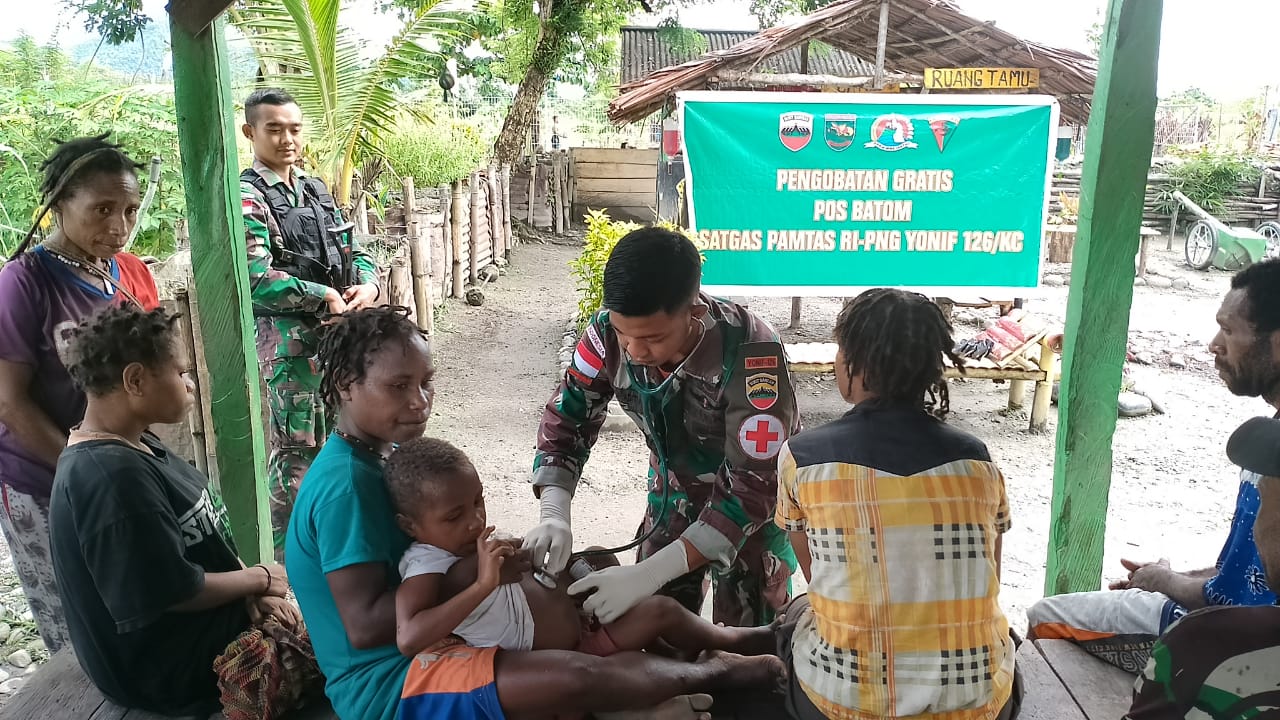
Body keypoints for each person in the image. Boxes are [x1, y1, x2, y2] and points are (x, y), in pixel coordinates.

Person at [286, 306, 781, 720]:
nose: (420, 403)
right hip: (392, 680)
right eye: (399, 387)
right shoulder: (345, 486)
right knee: (575, 672)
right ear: (348, 385)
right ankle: (711, 673)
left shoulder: (379, 458)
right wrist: (487, 574)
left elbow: (755, 483)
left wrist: (530, 547)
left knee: (596, 570)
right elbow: (371, 628)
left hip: (440, 641)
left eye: (426, 382)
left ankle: (667, 677)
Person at [527, 226, 800, 629]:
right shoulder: (606, 334)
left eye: (652, 338)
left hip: (751, 523)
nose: (635, 352)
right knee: (657, 632)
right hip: (671, 504)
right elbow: (569, 417)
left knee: (751, 642)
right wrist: (555, 512)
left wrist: (650, 572)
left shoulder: (752, 352)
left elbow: (755, 484)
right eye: (624, 334)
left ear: (695, 311)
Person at [50, 305, 315, 717]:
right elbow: (170, 590)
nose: (190, 383)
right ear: (135, 380)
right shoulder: (110, 478)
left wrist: (251, 593)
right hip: (167, 672)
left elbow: (203, 541)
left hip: (201, 627)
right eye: (180, 372)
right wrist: (259, 578)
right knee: (343, 652)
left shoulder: (136, 444)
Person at [773, 288, 1017, 720]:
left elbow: (818, 577)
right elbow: (987, 574)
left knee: (799, 610)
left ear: (851, 364)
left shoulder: (803, 459)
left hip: (843, 703)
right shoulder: (977, 460)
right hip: (977, 703)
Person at [1028, 259, 1280, 672]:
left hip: (1238, 645)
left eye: (1230, 330)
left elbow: (1239, 601)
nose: (1214, 343)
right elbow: (1245, 573)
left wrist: (1164, 582)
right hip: (1243, 625)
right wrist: (1170, 574)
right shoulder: (1270, 432)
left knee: (1045, 618)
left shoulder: (1273, 451)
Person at [386, 436, 778, 658]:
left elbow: (523, 579)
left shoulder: (465, 545)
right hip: (576, 646)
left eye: (479, 502)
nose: (474, 520)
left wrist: (534, 548)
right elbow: (410, 637)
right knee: (660, 610)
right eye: (455, 517)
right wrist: (483, 586)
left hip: (581, 614)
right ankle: (738, 641)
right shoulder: (425, 565)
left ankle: (661, 652)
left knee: (596, 555)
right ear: (410, 526)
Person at [0, 133, 160, 652]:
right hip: (45, 479)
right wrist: (81, 470)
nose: (119, 227)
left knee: (132, 601)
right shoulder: (23, 283)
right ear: (58, 206)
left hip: (122, 469)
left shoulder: (131, 272)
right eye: (102, 209)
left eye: (131, 210)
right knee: (76, 626)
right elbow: (9, 401)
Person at [240, 88, 382, 558]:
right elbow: (256, 277)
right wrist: (321, 296)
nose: (286, 139)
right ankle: (289, 569)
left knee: (342, 449)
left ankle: (337, 555)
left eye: (294, 129)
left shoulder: (315, 190)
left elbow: (354, 247)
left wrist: (368, 285)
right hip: (290, 352)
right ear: (251, 132)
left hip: (338, 348)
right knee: (295, 458)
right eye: (273, 129)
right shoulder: (246, 197)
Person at [1125, 416, 1280, 719]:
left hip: (1205, 624)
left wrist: (1163, 579)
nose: (1256, 526)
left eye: (1262, 500)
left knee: (1044, 617)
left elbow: (1227, 595)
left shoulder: (1204, 644)